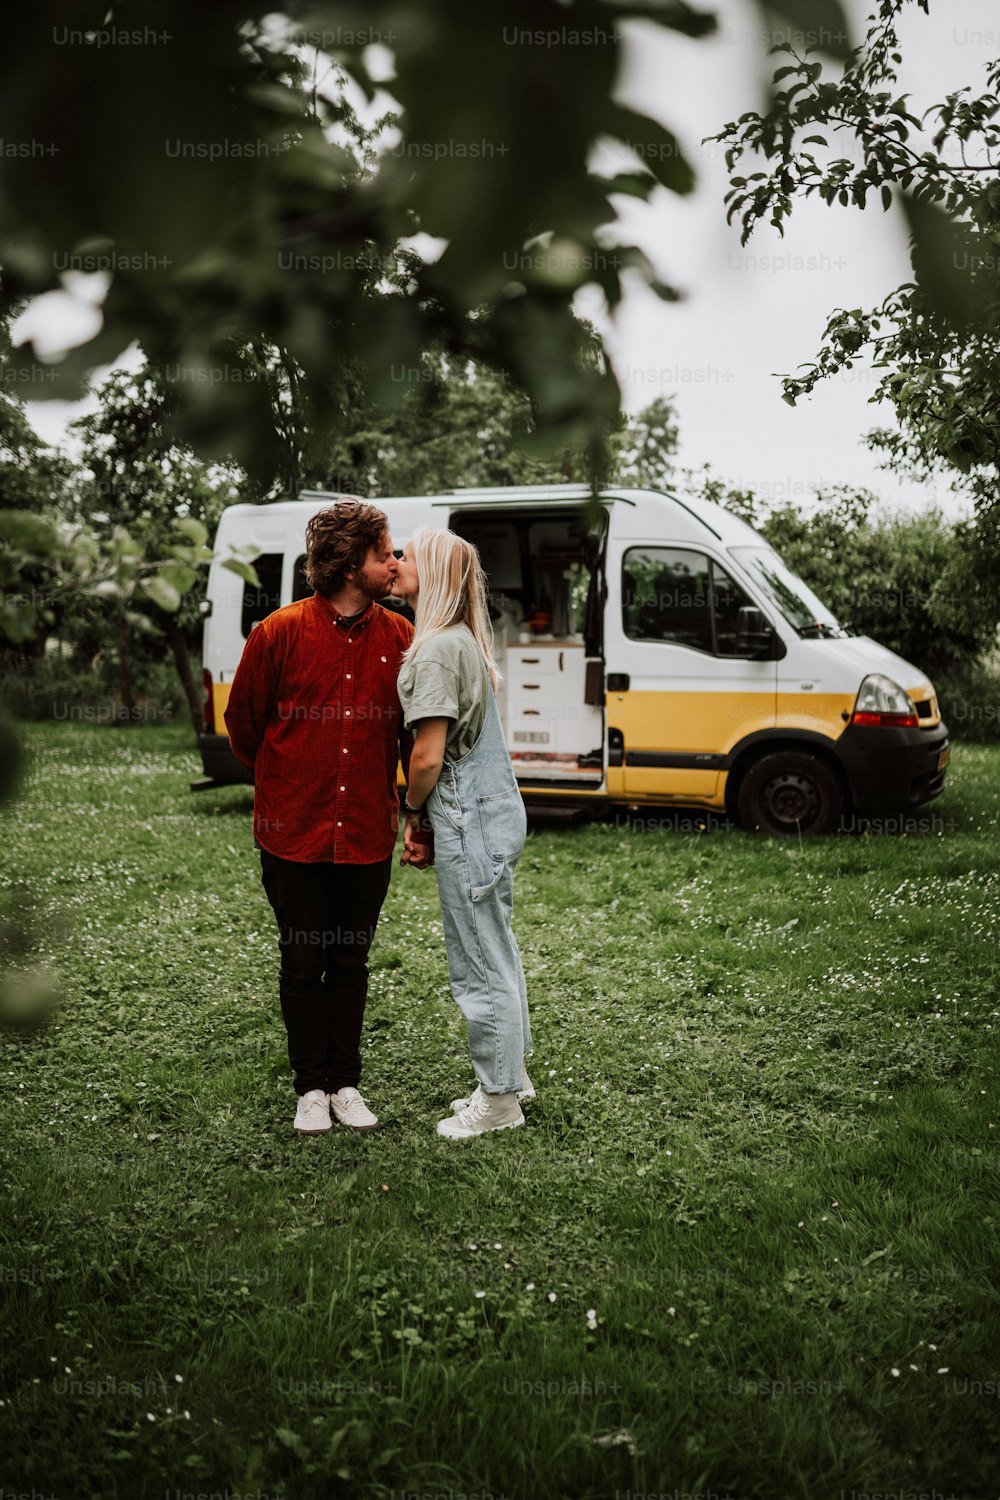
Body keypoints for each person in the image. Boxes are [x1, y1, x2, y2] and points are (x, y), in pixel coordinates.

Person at [224, 499, 433, 1137]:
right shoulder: (278, 633)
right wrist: (290, 785)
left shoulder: (402, 638)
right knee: (301, 962)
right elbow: (244, 728)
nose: (394, 562)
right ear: (349, 565)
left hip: (367, 834)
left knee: (350, 962)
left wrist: (413, 818)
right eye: (385, 553)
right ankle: (309, 1087)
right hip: (292, 835)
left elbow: (410, 739)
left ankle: (345, 1082)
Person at [393, 526, 534, 1140]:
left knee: (476, 962)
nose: (395, 562)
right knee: (497, 950)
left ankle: (499, 1100)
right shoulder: (462, 642)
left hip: (466, 818)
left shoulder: (434, 650)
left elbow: (426, 756)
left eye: (406, 555)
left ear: (436, 575)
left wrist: (409, 811)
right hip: (493, 811)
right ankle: (513, 1075)